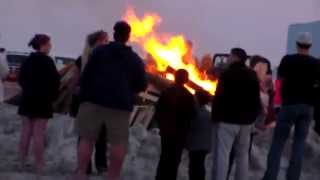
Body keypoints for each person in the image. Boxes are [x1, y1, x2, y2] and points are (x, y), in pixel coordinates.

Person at [72, 21, 147, 180]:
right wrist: (128, 91)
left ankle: (80, 174)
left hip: (93, 101)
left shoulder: (99, 52)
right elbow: (142, 85)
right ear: (128, 37)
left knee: (87, 138)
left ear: (114, 34)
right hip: (119, 106)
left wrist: (85, 94)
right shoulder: (135, 60)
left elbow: (87, 75)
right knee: (118, 143)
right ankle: (113, 177)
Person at [262, 32, 319, 180]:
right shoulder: (316, 63)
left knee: (278, 143)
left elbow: (279, 82)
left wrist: (276, 103)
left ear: (297, 44)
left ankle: (270, 177)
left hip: (289, 106)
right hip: (307, 107)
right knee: (299, 145)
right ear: (310, 46)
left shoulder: (288, 60)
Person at [211, 48, 261, 180]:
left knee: (223, 154)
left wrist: (215, 118)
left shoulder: (227, 74)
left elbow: (218, 97)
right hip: (246, 123)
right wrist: (252, 119)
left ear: (235, 57)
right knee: (243, 155)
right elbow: (256, 100)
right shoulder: (252, 75)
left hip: (227, 121)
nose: (228, 58)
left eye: (230, 56)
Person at [18, 34, 60, 178]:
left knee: (25, 133)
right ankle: (39, 166)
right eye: (49, 44)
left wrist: (28, 91)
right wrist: (51, 98)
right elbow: (56, 83)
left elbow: (21, 79)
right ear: (43, 45)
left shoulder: (27, 61)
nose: (50, 46)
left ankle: (21, 162)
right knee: (38, 135)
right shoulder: (48, 62)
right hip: (42, 102)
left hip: (27, 101)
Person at [70, 30, 109, 174]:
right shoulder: (84, 59)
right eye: (103, 40)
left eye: (107, 40)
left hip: (99, 102)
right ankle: (86, 166)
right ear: (96, 42)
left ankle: (99, 165)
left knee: (100, 135)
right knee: (87, 135)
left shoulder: (106, 58)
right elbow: (75, 83)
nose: (106, 43)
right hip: (89, 102)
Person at [155, 69, 196, 180]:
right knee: (174, 160)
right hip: (179, 134)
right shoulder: (188, 96)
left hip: (166, 131)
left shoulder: (166, 92)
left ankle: (159, 178)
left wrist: (161, 125)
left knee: (164, 157)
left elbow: (158, 110)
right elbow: (191, 116)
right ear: (186, 80)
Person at [187, 90, 211, 180]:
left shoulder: (196, 112)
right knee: (199, 165)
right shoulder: (208, 114)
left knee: (194, 167)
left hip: (195, 145)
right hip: (204, 146)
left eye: (195, 97)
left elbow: (191, 126)